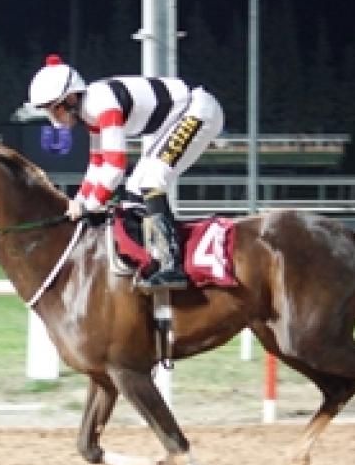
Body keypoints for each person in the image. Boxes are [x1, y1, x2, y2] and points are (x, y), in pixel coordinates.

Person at [26, 54, 225, 292]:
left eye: (54, 109)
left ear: (70, 98)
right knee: (134, 188)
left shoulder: (101, 104)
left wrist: (89, 206)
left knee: (151, 179)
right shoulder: (90, 110)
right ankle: (152, 259)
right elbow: (97, 164)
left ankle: (173, 265)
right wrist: (78, 201)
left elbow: (115, 167)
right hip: (181, 115)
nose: (53, 117)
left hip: (199, 110)